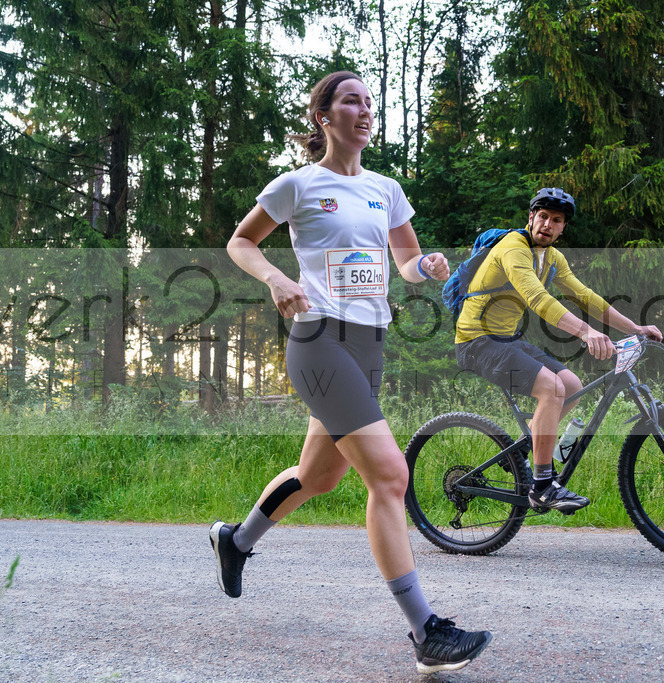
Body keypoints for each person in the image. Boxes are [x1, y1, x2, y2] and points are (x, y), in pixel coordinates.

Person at [210, 71, 491, 674]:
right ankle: (426, 632)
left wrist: (428, 267)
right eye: (350, 101)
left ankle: (235, 542)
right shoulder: (298, 185)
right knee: (390, 476)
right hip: (318, 342)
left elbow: (408, 261)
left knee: (318, 477)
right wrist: (277, 279)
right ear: (324, 117)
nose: (364, 110)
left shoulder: (385, 189)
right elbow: (241, 242)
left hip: (370, 346)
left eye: (368, 102)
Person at [455, 187, 663, 512]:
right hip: (476, 341)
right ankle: (541, 487)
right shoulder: (514, 248)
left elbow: (586, 297)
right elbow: (537, 299)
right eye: (542, 217)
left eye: (556, 220)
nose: (547, 224)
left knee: (573, 387)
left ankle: (524, 453)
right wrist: (586, 332)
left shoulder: (552, 258)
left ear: (563, 227)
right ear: (531, 218)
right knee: (551, 389)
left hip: (506, 338)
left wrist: (635, 328)